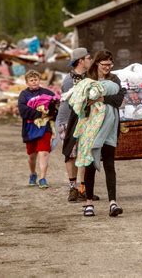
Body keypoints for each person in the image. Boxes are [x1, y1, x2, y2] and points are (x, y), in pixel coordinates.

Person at [65, 49, 125, 217]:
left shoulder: (115, 79)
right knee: (90, 164)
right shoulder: (87, 80)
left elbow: (119, 99)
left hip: (110, 128)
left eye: (110, 64)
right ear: (97, 64)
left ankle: (113, 202)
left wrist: (101, 98)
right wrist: (87, 102)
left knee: (109, 165)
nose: (107, 67)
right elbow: (76, 102)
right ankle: (89, 202)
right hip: (90, 128)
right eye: (104, 64)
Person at [56, 47, 93, 201]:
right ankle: (73, 188)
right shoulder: (69, 80)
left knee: (84, 154)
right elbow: (74, 102)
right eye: (88, 58)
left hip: (83, 119)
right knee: (71, 154)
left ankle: (83, 189)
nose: (91, 61)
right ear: (80, 61)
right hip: (68, 119)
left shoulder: (90, 77)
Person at [18, 70, 56, 189]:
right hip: (30, 129)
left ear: (39, 80)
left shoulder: (47, 93)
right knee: (32, 155)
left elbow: (56, 105)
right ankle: (33, 174)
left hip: (45, 127)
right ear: (27, 82)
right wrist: (39, 114)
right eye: (31, 80)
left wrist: (50, 113)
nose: (34, 82)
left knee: (44, 152)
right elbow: (23, 110)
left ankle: (43, 178)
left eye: (36, 79)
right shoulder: (23, 95)